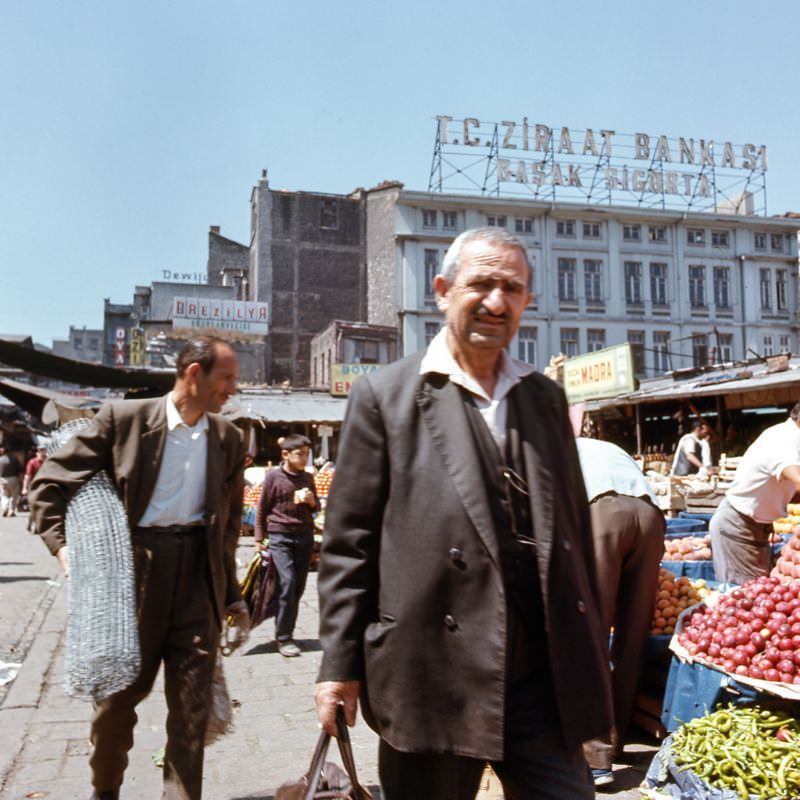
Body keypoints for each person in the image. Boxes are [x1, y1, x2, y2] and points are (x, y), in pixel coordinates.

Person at [314, 227, 612, 800]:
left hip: (538, 677)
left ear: (527, 301)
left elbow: (573, 524)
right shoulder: (386, 396)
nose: (496, 302)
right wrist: (337, 665)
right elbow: (348, 543)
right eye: (481, 284)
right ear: (443, 291)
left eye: (512, 288)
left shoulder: (544, 398)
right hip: (433, 671)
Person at [30, 336, 250, 800]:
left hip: (197, 581)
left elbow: (228, 528)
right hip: (134, 578)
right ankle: (104, 791)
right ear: (194, 373)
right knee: (115, 704)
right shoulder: (123, 420)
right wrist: (62, 547)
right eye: (226, 378)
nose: (233, 388)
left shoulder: (229, 438)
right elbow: (51, 482)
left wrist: (232, 594)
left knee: (192, 712)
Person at [575, 435, 665, 787]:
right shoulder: (608, 448)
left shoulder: (553, 444)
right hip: (650, 515)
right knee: (632, 638)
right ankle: (618, 739)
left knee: (591, 634)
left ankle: (596, 758)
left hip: (604, 513)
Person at [710, 404, 800, 585]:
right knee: (744, 597)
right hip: (738, 527)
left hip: (756, 528)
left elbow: (790, 490)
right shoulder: (783, 439)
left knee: (760, 597)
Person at [254, 434, 318, 657]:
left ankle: (286, 627)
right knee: (288, 582)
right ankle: (284, 637)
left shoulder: (308, 478)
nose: (304, 459)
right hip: (280, 536)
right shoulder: (273, 477)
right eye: (299, 454)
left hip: (304, 536)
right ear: (286, 454)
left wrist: (311, 502)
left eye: (307, 454)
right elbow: (262, 507)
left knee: (298, 587)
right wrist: (258, 538)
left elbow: (316, 507)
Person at [22, 444, 47, 530]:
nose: (42, 453)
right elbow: (27, 476)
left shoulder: (48, 462)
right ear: (37, 452)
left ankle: (37, 525)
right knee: (33, 506)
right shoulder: (32, 462)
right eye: (40, 451)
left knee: (41, 507)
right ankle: (31, 523)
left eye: (43, 450)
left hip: (44, 487)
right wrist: (24, 488)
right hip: (33, 487)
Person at [0, 444, 22, 516]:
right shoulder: (15, 459)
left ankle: (5, 508)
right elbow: (19, 470)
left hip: (2, 479)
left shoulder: (1, 460)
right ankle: (11, 510)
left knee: (4, 495)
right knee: (14, 496)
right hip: (13, 478)